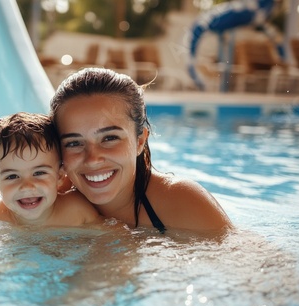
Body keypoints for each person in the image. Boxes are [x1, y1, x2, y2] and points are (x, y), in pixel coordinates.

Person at [49, 67, 232, 232]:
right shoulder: (45, 201)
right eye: (74, 143)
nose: (93, 159)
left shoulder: (181, 202)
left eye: (109, 138)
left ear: (140, 141)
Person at [0, 112, 102, 227]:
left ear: (60, 176)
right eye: (12, 176)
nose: (27, 186)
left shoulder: (76, 211)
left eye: (39, 173)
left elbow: (109, 236)